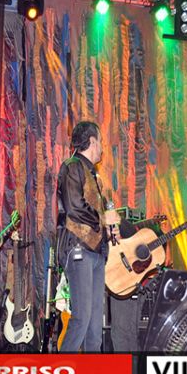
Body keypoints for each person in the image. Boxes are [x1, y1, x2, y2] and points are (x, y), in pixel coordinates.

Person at [56, 121, 120, 352]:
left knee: (94, 325)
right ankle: (62, 369)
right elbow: (74, 207)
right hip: (78, 248)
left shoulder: (93, 175)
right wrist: (103, 219)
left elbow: (95, 214)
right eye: (100, 141)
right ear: (92, 141)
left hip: (95, 253)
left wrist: (110, 230)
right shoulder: (72, 166)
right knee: (81, 318)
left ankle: (90, 371)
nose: (102, 147)